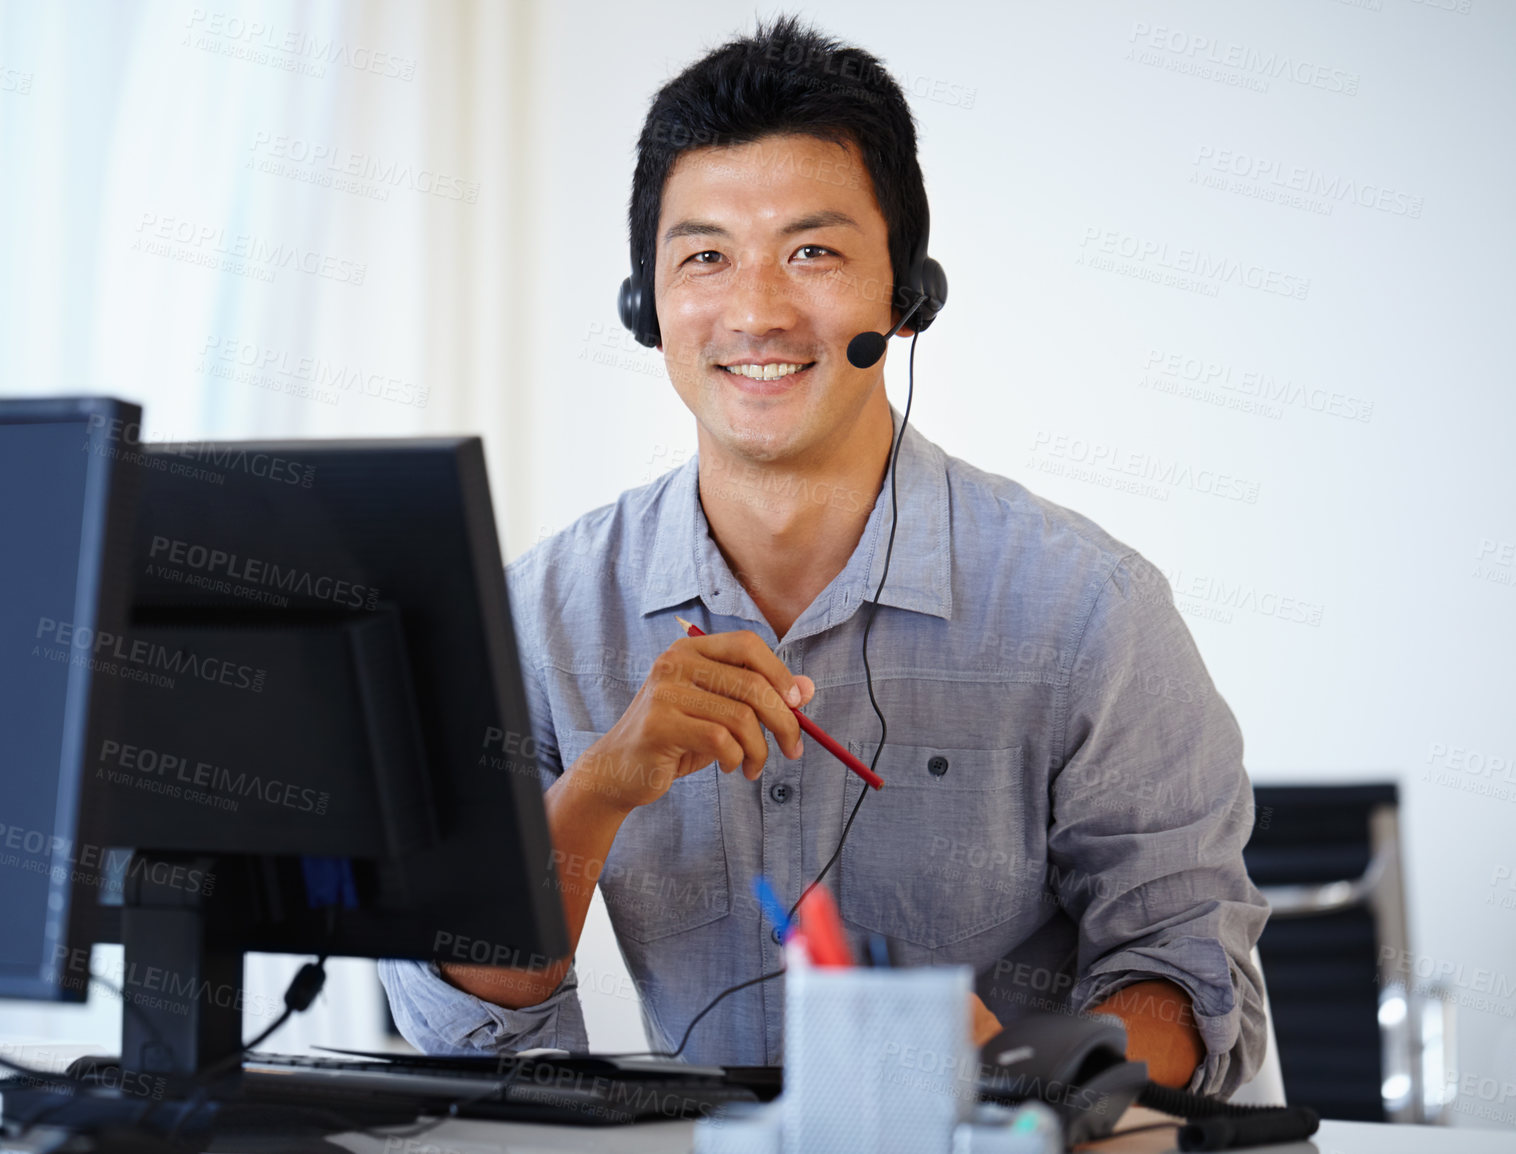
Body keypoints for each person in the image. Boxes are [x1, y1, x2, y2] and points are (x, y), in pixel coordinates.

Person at [381, 15, 1268, 1096]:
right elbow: (462, 1033)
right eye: (704, 256)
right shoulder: (543, 614)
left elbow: (1192, 979)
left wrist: (1028, 1072)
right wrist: (600, 788)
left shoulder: (1089, 612)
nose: (754, 310)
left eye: (813, 251)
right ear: (644, 307)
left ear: (905, 297)